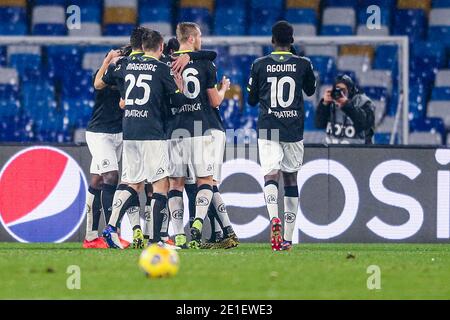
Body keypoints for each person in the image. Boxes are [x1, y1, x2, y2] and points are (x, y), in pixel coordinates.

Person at [101, 29, 186, 249]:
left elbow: (104, 80)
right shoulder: (162, 69)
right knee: (160, 185)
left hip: (129, 129)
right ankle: (157, 240)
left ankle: (110, 227)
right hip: (152, 131)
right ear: (160, 48)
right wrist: (179, 85)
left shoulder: (125, 64)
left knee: (133, 182)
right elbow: (178, 103)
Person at [247, 21, 316, 251]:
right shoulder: (303, 64)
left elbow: (251, 99)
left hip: (268, 126)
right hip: (293, 128)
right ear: (292, 41)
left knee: (270, 175)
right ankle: (287, 237)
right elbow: (310, 91)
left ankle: (273, 217)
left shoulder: (259, 64)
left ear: (272, 41)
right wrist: (296, 62)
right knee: (290, 179)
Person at [167, 22, 231, 249]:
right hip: (199, 128)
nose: (202, 39)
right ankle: (197, 223)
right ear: (192, 38)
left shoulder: (167, 63)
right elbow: (214, 101)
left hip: (174, 130)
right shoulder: (206, 63)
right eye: (200, 36)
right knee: (206, 180)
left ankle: (179, 236)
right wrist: (224, 90)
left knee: (175, 183)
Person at [94, 26, 148, 249]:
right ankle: (113, 231)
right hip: (106, 131)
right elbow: (98, 84)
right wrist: (107, 62)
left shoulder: (127, 67)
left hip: (125, 131)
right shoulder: (117, 68)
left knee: (129, 180)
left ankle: (135, 231)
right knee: (116, 179)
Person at [314, 74, 375, 144]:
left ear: (351, 91)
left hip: (358, 152)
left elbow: (365, 124)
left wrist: (346, 105)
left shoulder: (364, 102)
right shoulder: (330, 102)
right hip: (332, 152)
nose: (340, 93)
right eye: (337, 89)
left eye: (343, 90)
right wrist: (324, 104)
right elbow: (318, 124)